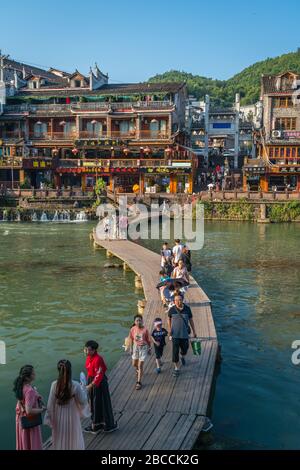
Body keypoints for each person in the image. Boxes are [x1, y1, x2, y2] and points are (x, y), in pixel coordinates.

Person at [44, 359, 89, 449]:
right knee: (73, 438)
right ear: (70, 370)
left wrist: (49, 418)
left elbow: (50, 405)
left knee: (60, 438)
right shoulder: (75, 385)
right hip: (72, 416)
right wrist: (83, 388)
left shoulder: (54, 385)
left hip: (58, 417)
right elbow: (83, 401)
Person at [84, 340, 118, 434]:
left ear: (94, 350)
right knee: (93, 403)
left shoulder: (98, 359)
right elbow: (89, 371)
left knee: (100, 403)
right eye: (85, 349)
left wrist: (90, 385)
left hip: (99, 384)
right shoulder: (89, 358)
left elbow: (99, 374)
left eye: (89, 350)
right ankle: (95, 424)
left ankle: (105, 425)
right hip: (92, 381)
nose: (86, 351)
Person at [14, 365, 45, 450]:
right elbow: (29, 411)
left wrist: (36, 394)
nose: (35, 374)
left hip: (21, 419)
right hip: (30, 420)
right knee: (31, 442)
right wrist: (41, 410)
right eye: (33, 373)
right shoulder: (29, 390)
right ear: (27, 378)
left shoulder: (20, 386)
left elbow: (22, 402)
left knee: (24, 443)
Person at [168, 294, 197, 377]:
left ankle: (183, 356)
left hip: (184, 334)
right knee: (175, 351)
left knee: (185, 348)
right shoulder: (172, 309)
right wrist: (170, 329)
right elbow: (169, 319)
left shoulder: (187, 309)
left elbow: (191, 320)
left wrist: (194, 331)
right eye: (176, 300)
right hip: (175, 335)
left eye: (179, 300)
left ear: (182, 300)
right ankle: (176, 368)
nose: (178, 301)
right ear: (174, 301)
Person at [128, 315, 151, 390]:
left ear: (142, 321)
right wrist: (131, 348)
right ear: (134, 322)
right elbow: (131, 338)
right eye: (137, 320)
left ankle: (139, 382)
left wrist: (149, 348)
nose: (138, 322)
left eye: (140, 320)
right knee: (134, 364)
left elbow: (148, 339)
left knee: (140, 365)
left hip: (143, 348)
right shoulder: (132, 329)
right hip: (135, 347)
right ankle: (138, 369)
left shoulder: (145, 330)